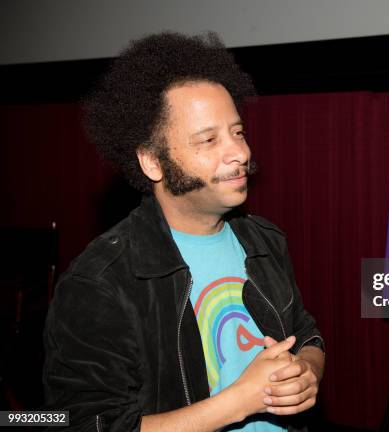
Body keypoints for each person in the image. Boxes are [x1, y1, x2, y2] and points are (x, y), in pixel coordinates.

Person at [43, 32, 324, 432]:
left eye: (238, 132)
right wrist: (238, 402)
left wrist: (307, 372)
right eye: (209, 139)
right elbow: (82, 425)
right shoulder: (101, 282)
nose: (240, 153)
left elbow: (307, 335)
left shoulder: (264, 241)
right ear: (152, 162)